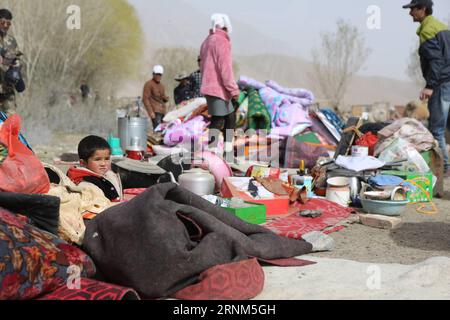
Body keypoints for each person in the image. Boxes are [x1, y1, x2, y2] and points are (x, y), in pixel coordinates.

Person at [403, 0, 450, 176]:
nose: (410, 13)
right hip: (448, 82)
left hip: (442, 84)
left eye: (413, 9)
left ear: (422, 9)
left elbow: (436, 60)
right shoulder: (441, 26)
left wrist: (430, 85)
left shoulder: (428, 29)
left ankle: (442, 170)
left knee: (436, 130)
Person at [200, 13, 240, 152]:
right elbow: (225, 69)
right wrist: (234, 90)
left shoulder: (207, 41)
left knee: (230, 117)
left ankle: (227, 152)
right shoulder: (221, 41)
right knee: (218, 119)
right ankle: (211, 152)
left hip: (210, 87)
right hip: (218, 88)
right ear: (225, 26)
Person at [67, 135, 123, 202]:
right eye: (97, 159)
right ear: (83, 162)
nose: (103, 164)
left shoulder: (107, 175)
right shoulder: (86, 184)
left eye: (107, 159)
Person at [0, 9, 25, 116]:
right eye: (2, 22)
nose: (5, 25)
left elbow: (17, 58)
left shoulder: (11, 41)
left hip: (7, 89)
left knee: (11, 123)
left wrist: (16, 70)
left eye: (8, 23)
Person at [142, 65, 170, 130]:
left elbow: (161, 98)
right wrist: (151, 112)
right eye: (157, 74)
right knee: (158, 130)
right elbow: (145, 99)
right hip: (155, 112)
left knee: (163, 131)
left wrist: (165, 98)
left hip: (162, 112)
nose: (158, 76)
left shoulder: (161, 86)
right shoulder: (148, 84)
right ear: (153, 74)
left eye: (160, 75)